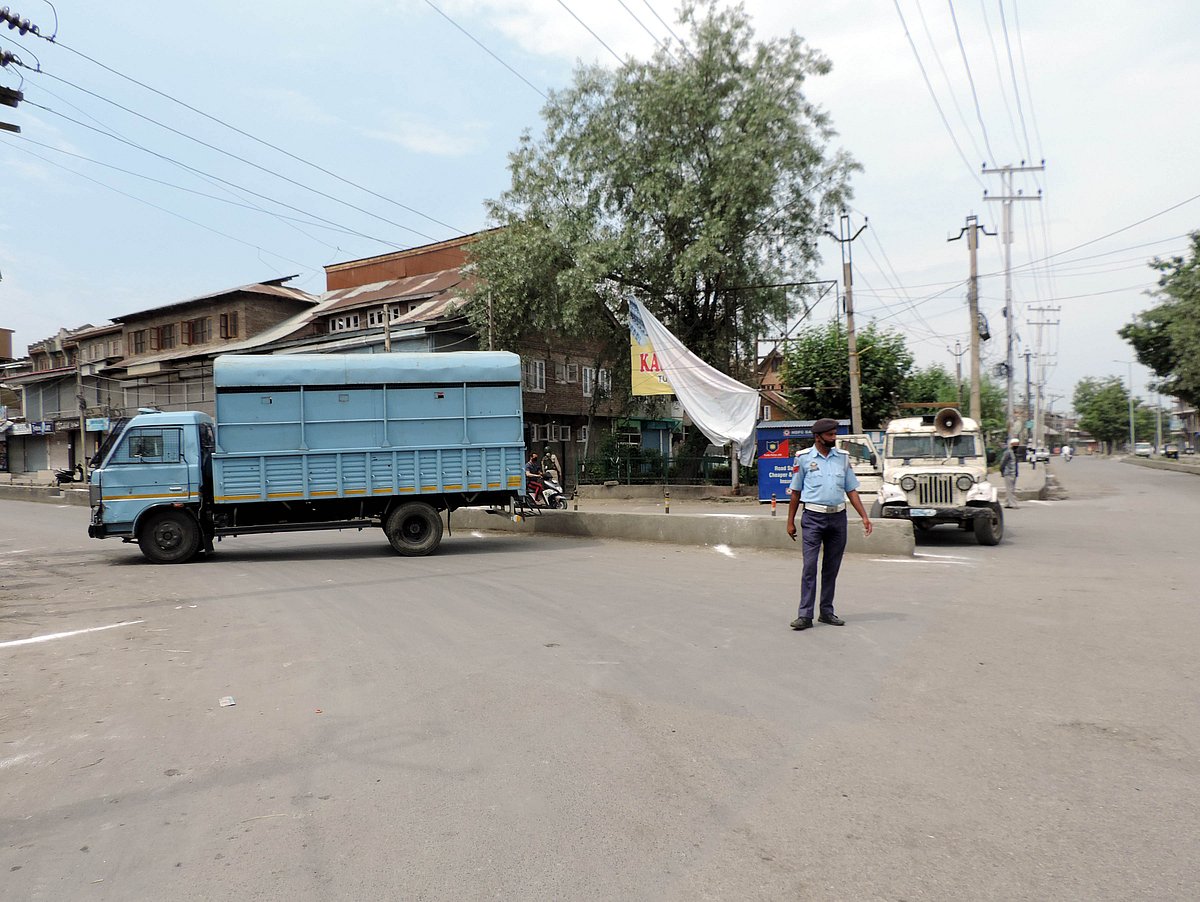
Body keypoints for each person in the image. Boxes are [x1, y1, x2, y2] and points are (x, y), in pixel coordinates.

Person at [785, 418, 873, 632]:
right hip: (813, 518)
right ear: (818, 437)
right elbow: (795, 492)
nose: (834, 438)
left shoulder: (842, 458)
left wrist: (864, 516)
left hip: (838, 518)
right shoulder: (803, 458)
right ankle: (804, 615)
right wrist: (790, 522)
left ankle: (826, 611)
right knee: (809, 567)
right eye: (830, 435)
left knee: (831, 568)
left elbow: (851, 489)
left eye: (835, 434)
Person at [1000, 437, 1020, 509]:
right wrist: (1002, 471)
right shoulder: (1008, 452)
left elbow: (1015, 464)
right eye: (1015, 444)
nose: (1016, 446)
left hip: (1013, 473)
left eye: (1017, 444)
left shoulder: (1015, 453)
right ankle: (1013, 504)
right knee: (1010, 489)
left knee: (1011, 489)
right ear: (1011, 444)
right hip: (1008, 473)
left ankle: (1007, 503)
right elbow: (1003, 462)